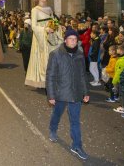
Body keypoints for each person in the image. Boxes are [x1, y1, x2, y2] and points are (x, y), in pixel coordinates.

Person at [46, 29, 89, 160]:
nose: (73, 41)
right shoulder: (56, 54)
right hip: (61, 93)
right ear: (65, 40)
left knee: (75, 121)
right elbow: (50, 76)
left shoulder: (80, 55)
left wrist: (85, 92)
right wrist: (51, 95)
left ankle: (76, 145)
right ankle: (53, 130)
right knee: (57, 114)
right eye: (71, 39)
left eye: (75, 39)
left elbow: (82, 75)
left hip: (76, 94)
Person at [25, 0, 63, 88]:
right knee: (43, 58)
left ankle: (54, 79)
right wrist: (45, 30)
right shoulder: (35, 10)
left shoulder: (49, 9)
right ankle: (44, 80)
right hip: (41, 37)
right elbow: (33, 26)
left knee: (53, 57)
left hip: (51, 36)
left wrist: (59, 26)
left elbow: (54, 21)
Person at [112, 45, 124, 113]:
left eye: (118, 49)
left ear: (121, 50)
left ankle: (123, 107)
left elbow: (119, 72)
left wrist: (114, 80)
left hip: (122, 80)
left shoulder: (122, 60)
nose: (117, 50)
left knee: (122, 94)